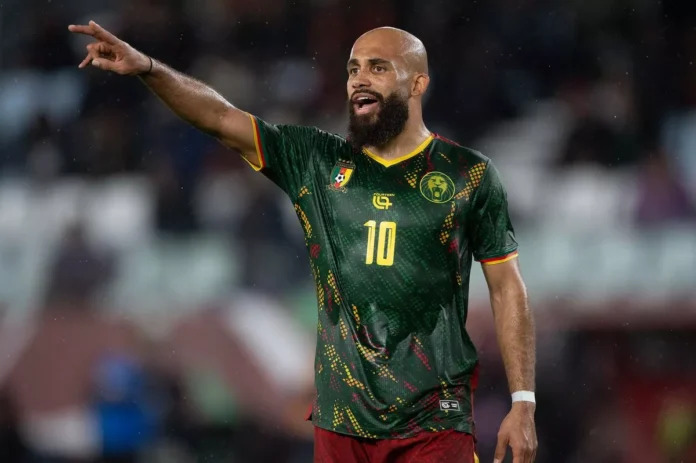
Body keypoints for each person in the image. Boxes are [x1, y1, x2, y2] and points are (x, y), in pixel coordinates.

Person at [68, 21, 538, 463]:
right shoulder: (315, 161)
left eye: (378, 67)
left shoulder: (468, 174)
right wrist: (149, 68)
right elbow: (219, 117)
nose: (359, 79)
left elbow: (506, 287)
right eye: (353, 69)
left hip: (434, 419)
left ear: (417, 84)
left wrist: (523, 402)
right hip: (342, 420)